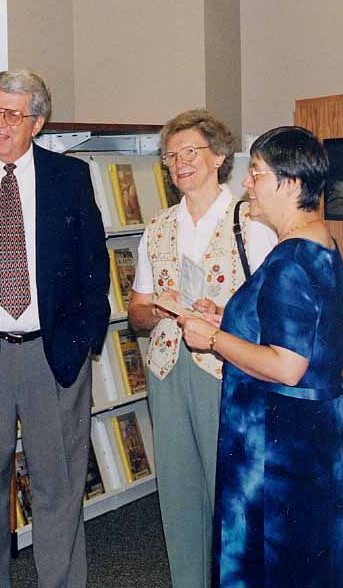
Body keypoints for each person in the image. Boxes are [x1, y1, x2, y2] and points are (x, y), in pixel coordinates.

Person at [0, 69, 110, 588]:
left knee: (59, 487)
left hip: (51, 357)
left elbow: (93, 267)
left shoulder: (68, 178)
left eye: (11, 114)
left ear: (38, 121)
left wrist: (83, 341)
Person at [179, 126, 343, 588]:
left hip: (277, 446)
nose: (246, 185)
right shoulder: (319, 243)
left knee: (272, 564)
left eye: (256, 174)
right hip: (305, 436)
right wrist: (227, 322)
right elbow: (293, 335)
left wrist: (212, 340)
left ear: (290, 183)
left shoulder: (291, 259)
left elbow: (286, 365)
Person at [127, 109, 277, 587]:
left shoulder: (251, 224)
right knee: (178, 494)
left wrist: (222, 314)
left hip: (226, 370)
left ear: (218, 158)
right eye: (170, 157)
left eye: (189, 152)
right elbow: (136, 312)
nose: (178, 164)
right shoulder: (158, 227)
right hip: (169, 372)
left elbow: (273, 313)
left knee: (231, 494)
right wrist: (161, 308)